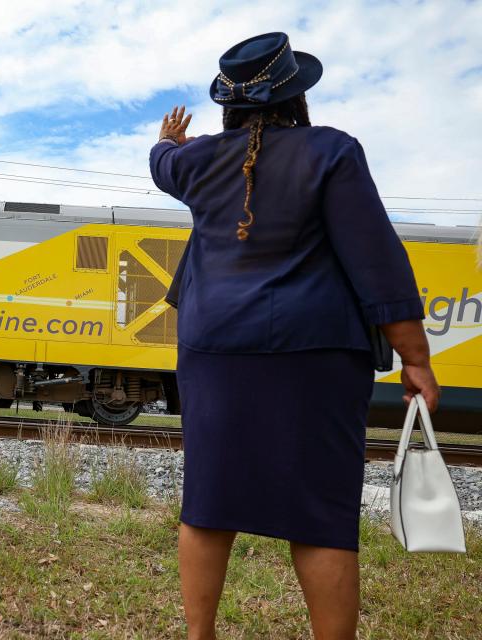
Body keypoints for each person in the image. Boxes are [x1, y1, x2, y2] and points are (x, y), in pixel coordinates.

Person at [150, 32, 440, 640]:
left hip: (213, 351)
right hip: (316, 357)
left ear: (229, 106)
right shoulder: (332, 153)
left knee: (208, 503)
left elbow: (163, 166)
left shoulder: (196, 162)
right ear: (297, 96)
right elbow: (376, 261)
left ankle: (198, 636)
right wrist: (416, 358)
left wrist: (166, 142)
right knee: (320, 516)